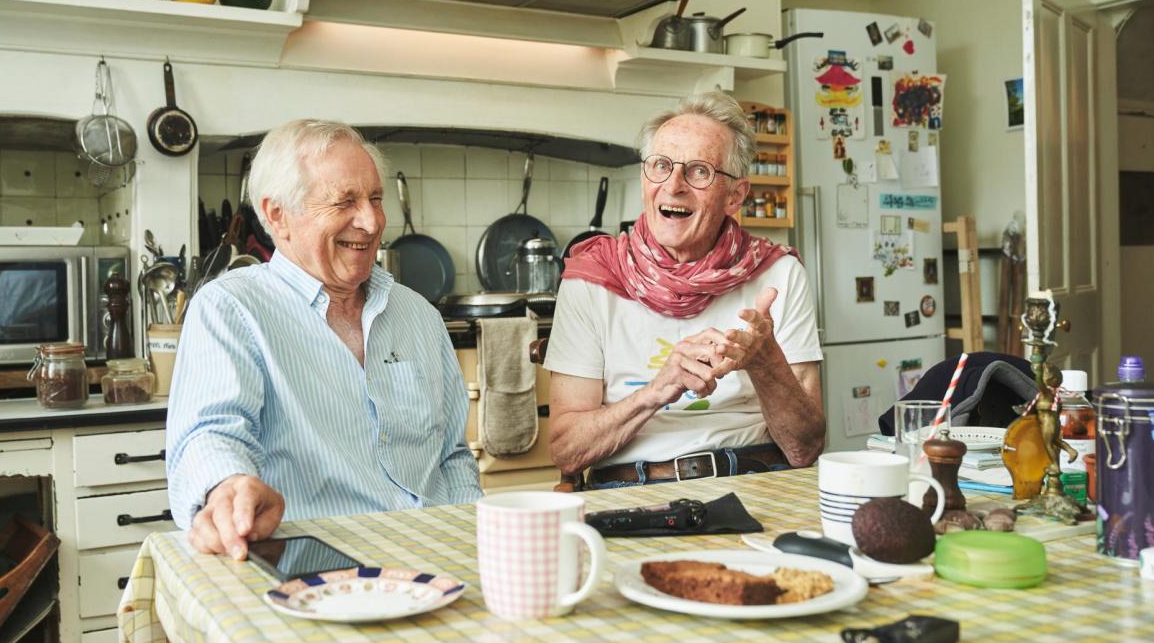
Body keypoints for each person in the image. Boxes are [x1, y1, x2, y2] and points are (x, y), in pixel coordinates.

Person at [167, 120, 482, 558]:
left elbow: (452, 457)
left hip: (439, 560)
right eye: (344, 202)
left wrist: (476, 542)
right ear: (278, 215)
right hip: (315, 567)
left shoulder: (420, 316)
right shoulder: (231, 309)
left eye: (375, 199)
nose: (371, 222)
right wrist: (228, 487)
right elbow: (212, 433)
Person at [545, 92, 825, 488]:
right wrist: (659, 390)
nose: (673, 186)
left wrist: (766, 363)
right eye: (660, 166)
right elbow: (566, 450)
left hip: (757, 478)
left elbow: (805, 448)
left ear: (736, 195)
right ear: (645, 179)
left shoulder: (778, 275)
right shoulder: (593, 278)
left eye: (698, 171)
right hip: (634, 487)